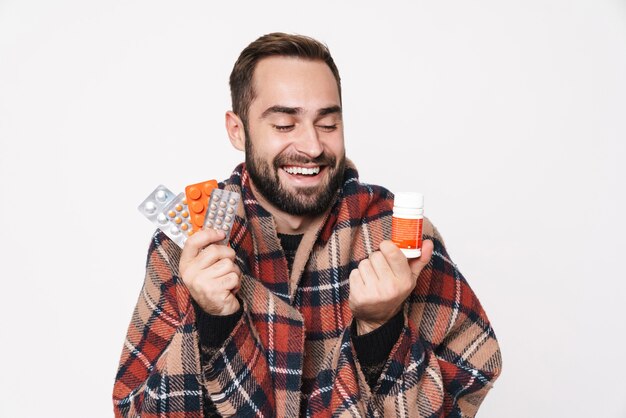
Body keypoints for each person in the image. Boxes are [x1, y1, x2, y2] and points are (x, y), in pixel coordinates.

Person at [113, 32, 502, 417]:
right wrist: (212, 322)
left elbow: (469, 382)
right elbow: (134, 410)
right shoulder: (184, 248)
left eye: (328, 124)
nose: (313, 146)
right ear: (237, 130)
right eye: (284, 125)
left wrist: (381, 332)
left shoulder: (397, 235)